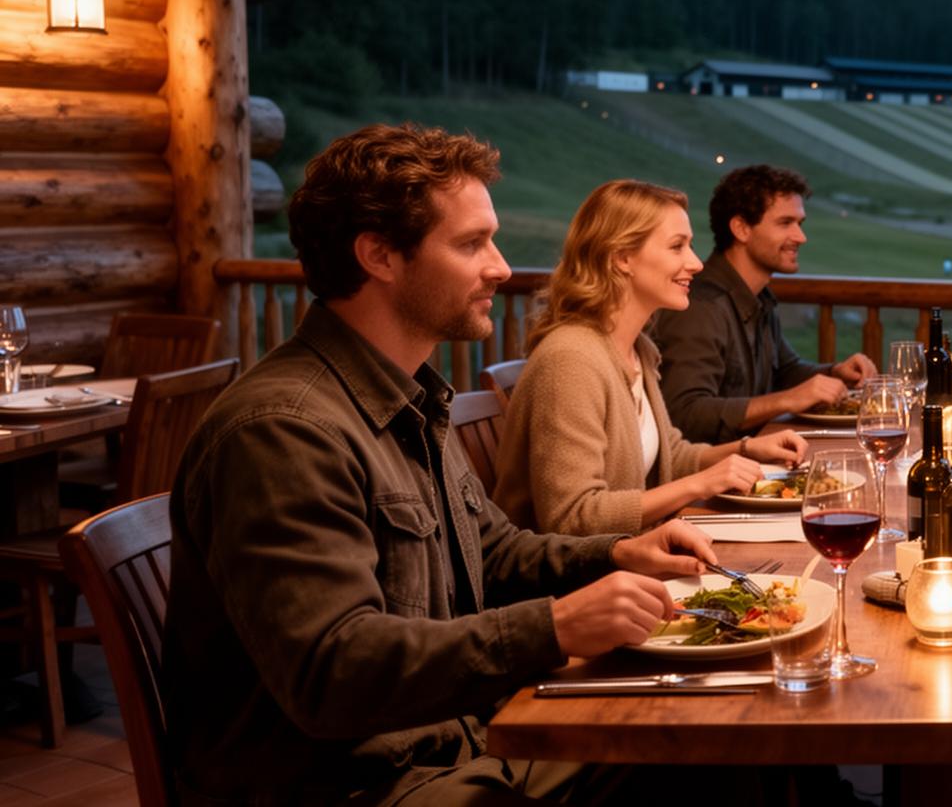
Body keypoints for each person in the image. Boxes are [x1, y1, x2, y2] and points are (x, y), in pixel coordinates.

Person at [165, 125, 722, 805]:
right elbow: (331, 672)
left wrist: (619, 552)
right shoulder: (282, 430)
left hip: (453, 743)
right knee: (703, 754)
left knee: (717, 737)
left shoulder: (409, 397)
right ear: (379, 255)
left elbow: (493, 551)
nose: (501, 268)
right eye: (470, 244)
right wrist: (553, 629)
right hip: (362, 784)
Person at [493, 179, 808, 535]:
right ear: (622, 257)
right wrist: (699, 484)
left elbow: (672, 455)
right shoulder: (571, 360)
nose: (696, 263)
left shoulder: (637, 349)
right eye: (677, 247)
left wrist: (748, 449)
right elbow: (573, 517)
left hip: (629, 556)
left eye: (690, 246)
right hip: (579, 570)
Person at [651, 164, 875, 442]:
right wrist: (786, 400)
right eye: (785, 223)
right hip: (715, 466)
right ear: (741, 228)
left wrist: (835, 372)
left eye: (800, 224)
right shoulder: (699, 306)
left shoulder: (758, 296)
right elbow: (685, 414)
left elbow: (786, 370)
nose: (801, 237)